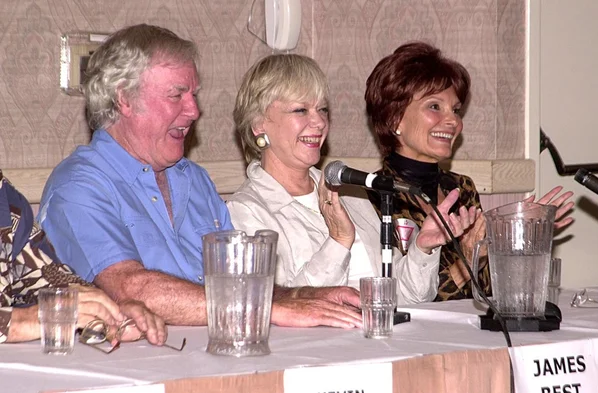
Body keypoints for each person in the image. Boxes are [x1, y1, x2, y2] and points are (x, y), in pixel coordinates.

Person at [38, 24, 362, 329]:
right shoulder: (78, 187)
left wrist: (299, 296)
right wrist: (269, 309)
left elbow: (237, 283)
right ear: (124, 98)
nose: (194, 111)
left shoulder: (195, 180)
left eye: (194, 95)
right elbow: (130, 287)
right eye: (177, 95)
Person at [227, 53, 481, 305]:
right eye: (301, 110)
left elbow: (405, 297)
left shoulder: (348, 193)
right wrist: (338, 241)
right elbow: (277, 307)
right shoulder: (246, 211)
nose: (319, 122)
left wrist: (423, 248)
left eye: (323, 109)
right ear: (259, 124)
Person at [364, 41, 574, 301]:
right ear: (394, 119)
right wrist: (467, 261)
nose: (453, 120)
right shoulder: (373, 196)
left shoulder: (461, 189)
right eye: (434, 106)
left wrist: (516, 237)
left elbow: (486, 295)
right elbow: (396, 298)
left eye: (455, 110)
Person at [0, 171, 166, 344]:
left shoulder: (5, 197)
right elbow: (27, 319)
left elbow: (40, 275)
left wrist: (105, 310)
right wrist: (18, 321)